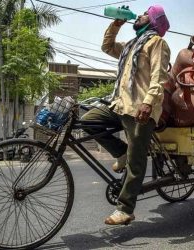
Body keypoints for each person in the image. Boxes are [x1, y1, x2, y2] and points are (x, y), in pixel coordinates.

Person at [81, 5, 170, 225]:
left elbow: (160, 77)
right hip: (120, 105)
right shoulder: (132, 45)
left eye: (144, 14)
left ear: (151, 21)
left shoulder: (157, 43)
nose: (138, 16)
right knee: (88, 121)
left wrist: (148, 103)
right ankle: (121, 153)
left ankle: (125, 209)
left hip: (141, 109)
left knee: (136, 160)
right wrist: (116, 24)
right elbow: (107, 46)